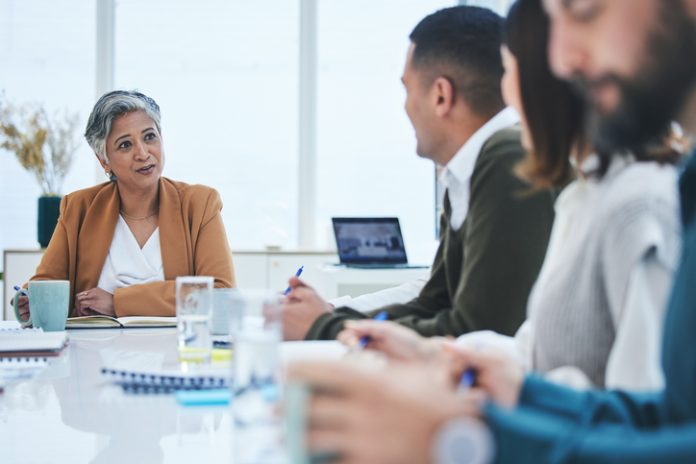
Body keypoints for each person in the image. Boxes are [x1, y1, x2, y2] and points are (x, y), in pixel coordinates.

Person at [289, 0, 696, 462]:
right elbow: (651, 412)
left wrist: (467, 437)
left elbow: (652, 420)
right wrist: (451, 364)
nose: (562, 60)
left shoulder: (635, 203)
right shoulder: (582, 197)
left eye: (584, 12)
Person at [283, 5, 556, 341]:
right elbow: (434, 304)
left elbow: (475, 333)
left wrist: (324, 327)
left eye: (407, 89)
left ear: (441, 95)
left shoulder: (507, 157)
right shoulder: (471, 168)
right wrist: (333, 318)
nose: (405, 106)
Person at [13, 90, 235, 319]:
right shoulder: (78, 208)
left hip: (175, 350)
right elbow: (47, 283)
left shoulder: (200, 204)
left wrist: (119, 302)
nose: (142, 153)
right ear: (104, 160)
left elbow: (220, 296)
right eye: (125, 145)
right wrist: (29, 300)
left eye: (149, 137)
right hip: (93, 350)